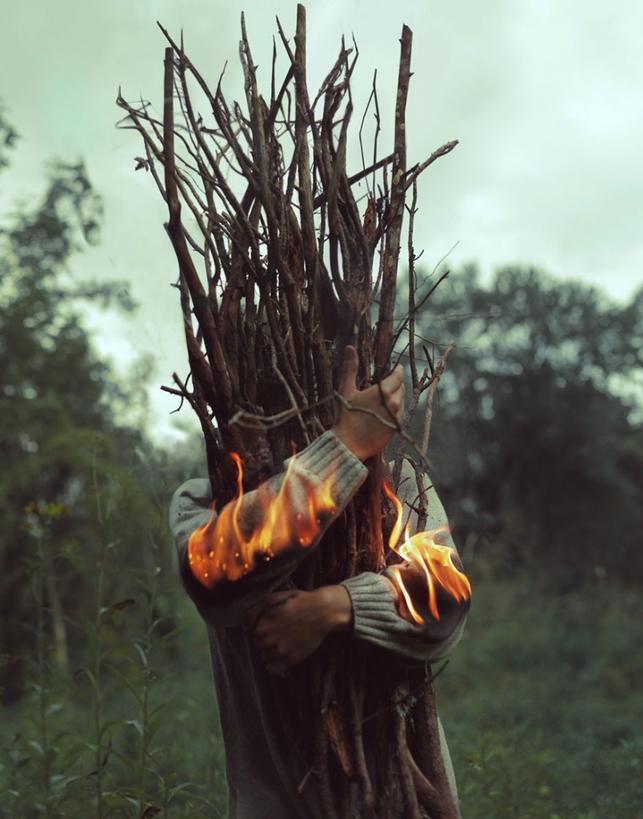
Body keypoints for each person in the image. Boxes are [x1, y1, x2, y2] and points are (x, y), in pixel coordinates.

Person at [169, 346, 469, 818]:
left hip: (398, 801)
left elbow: (444, 601)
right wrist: (343, 447)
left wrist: (337, 607)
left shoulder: (398, 482)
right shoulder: (205, 501)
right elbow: (214, 578)